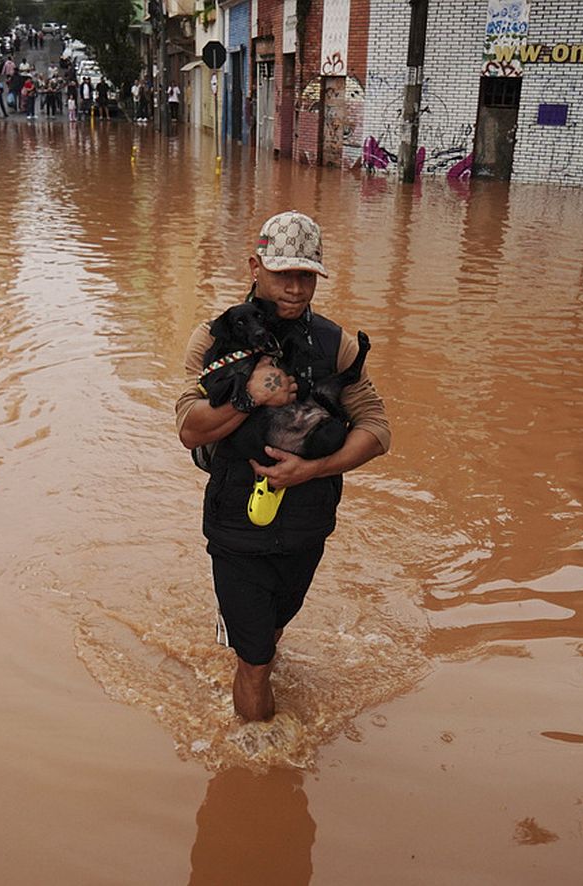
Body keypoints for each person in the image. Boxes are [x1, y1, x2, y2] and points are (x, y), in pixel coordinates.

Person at [174, 211, 390, 723]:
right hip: (236, 526)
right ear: (255, 267)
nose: (294, 289)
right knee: (256, 662)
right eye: (282, 275)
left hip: (306, 524)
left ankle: (253, 642)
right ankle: (256, 756)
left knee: (272, 632)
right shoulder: (213, 339)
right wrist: (246, 398)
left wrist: (312, 470)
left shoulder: (336, 345)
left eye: (305, 276)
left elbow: (377, 430)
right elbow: (190, 429)